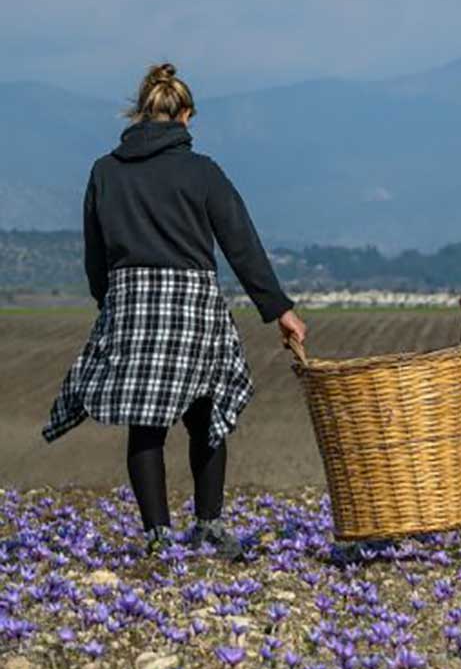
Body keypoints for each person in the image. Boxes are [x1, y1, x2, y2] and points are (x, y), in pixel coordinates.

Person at [43, 63, 306, 558]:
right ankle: (208, 525)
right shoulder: (202, 171)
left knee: (146, 423)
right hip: (192, 303)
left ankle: (157, 536)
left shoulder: (105, 171)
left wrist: (109, 304)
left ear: (141, 111)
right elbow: (241, 245)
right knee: (206, 415)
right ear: (185, 116)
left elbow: (94, 253)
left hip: (131, 301)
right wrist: (279, 309)